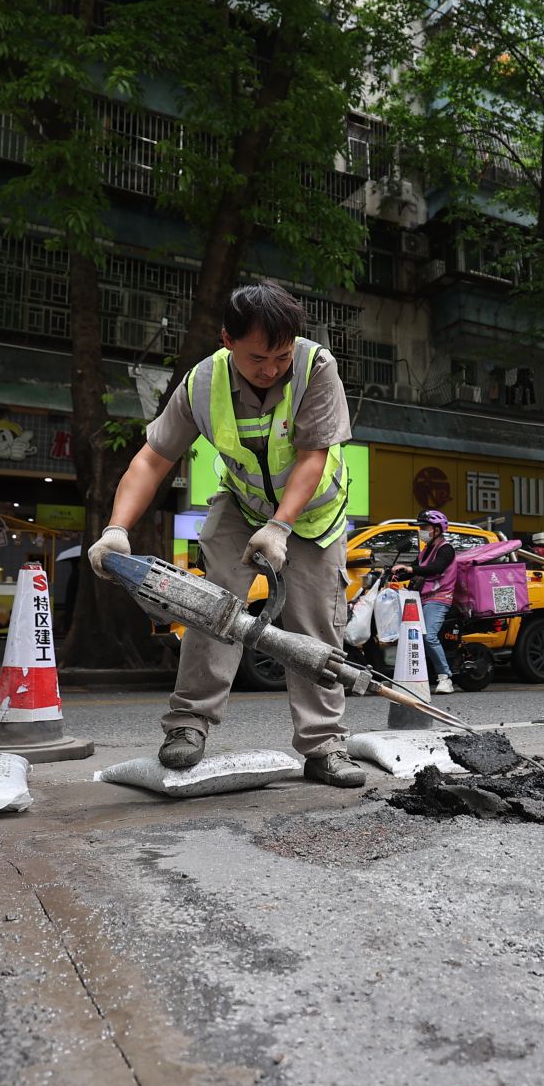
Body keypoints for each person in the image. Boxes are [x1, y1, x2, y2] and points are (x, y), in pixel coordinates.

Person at [87, 283, 365, 788]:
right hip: (241, 506)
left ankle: (325, 745)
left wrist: (280, 527)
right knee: (210, 608)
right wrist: (115, 529)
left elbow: (313, 456)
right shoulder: (202, 383)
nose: (271, 368)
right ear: (227, 340)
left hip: (313, 515)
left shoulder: (315, 368)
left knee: (314, 625)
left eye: (281, 356)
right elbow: (153, 458)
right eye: (258, 357)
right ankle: (188, 725)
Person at [390, 509, 458, 694]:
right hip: (421, 598)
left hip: (439, 598)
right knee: (409, 636)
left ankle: (445, 678)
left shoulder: (446, 549)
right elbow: (417, 568)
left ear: (436, 530)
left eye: (425, 527)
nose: (421, 531)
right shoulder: (426, 550)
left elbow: (436, 568)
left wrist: (410, 570)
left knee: (429, 636)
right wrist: (394, 571)